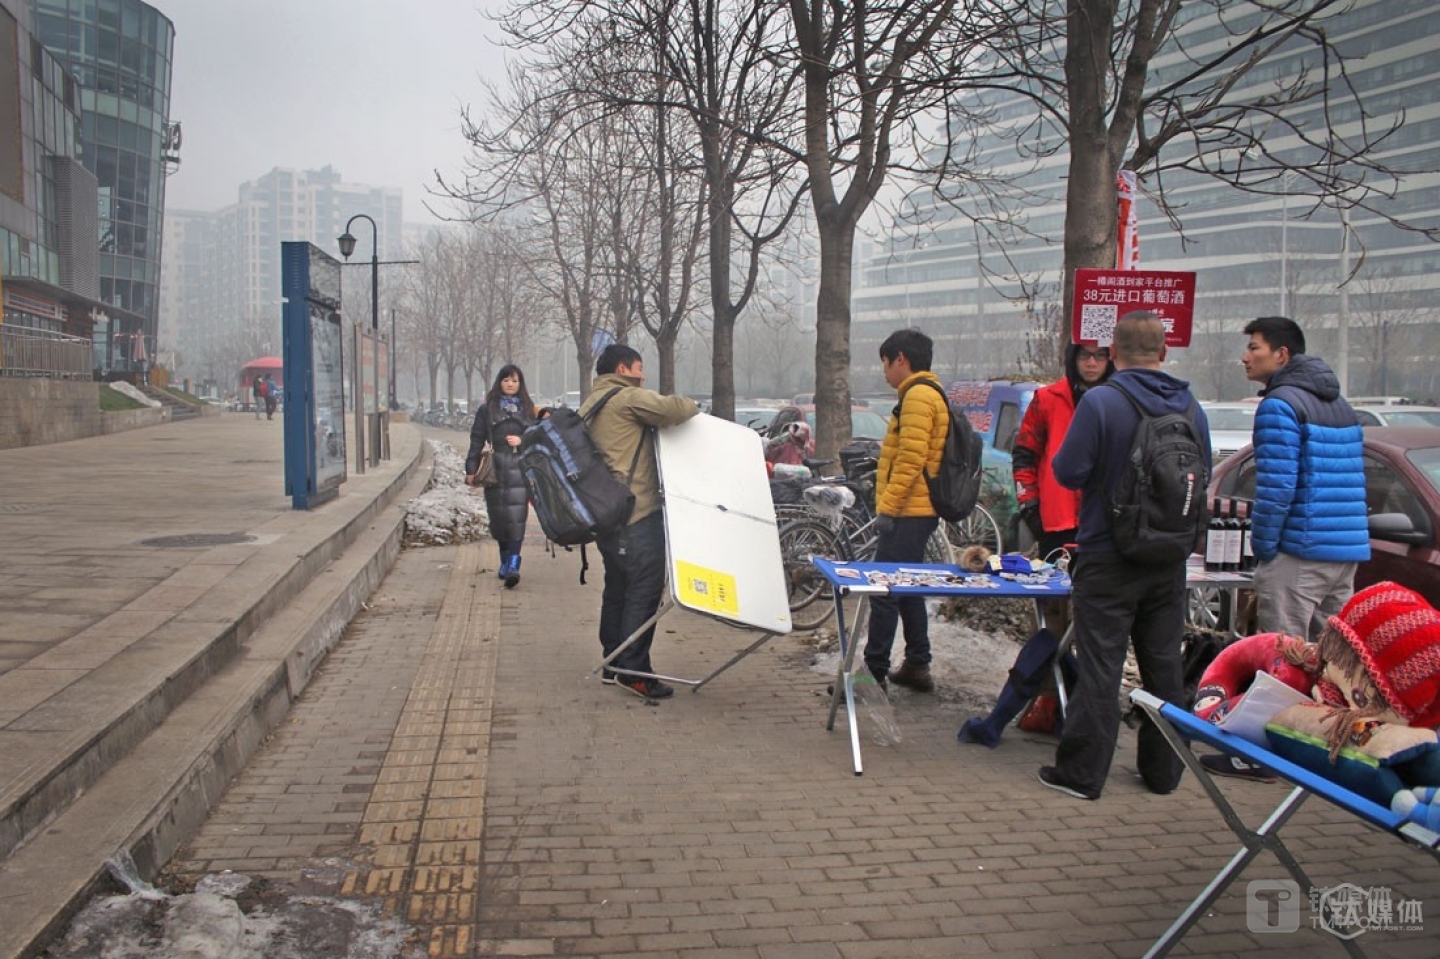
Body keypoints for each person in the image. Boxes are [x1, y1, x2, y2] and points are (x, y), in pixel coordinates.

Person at [1038, 311, 1212, 801]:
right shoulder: (1192, 407)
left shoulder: (1101, 402)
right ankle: (1163, 773)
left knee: (1101, 666)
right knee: (1164, 667)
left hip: (1108, 555)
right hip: (1168, 559)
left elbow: (1068, 471)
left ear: (1113, 353)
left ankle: (1082, 774)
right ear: (1164, 352)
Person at [1241, 316, 1369, 641]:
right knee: (1332, 658)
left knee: (1284, 656)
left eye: (1254, 348)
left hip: (1299, 553)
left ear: (1281, 354)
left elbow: (1277, 486)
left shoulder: (1278, 405)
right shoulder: (1341, 404)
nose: (1245, 357)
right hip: (1344, 553)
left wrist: (1264, 548)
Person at [583, 343, 699, 700]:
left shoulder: (592, 402)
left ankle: (613, 661)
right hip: (636, 513)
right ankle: (634, 671)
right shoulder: (626, 398)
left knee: (617, 588)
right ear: (623, 369)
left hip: (606, 514)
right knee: (644, 590)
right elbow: (677, 409)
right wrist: (694, 404)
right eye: (639, 368)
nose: (643, 376)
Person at [862, 328, 949, 695]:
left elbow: (910, 461)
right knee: (908, 585)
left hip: (909, 512)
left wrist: (888, 509)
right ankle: (917, 663)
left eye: (885, 363)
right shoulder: (927, 394)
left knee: (884, 589)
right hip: (917, 510)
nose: (884, 371)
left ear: (901, 359)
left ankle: (872, 675)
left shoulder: (917, 397)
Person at [1012, 343, 1116, 637]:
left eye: (1100, 356)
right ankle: (1050, 663)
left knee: (1100, 611)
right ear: (1074, 358)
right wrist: (1030, 507)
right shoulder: (1047, 399)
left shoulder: (1120, 401)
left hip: (1105, 523)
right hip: (1056, 523)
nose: (1092, 363)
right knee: (1052, 609)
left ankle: (1090, 665)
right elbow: (1024, 456)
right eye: (1085, 355)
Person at [465, 364, 539, 589]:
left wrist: (522, 440)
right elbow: (476, 440)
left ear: (520, 384)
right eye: (506, 380)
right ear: (499, 382)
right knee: (498, 518)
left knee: (517, 516)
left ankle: (514, 563)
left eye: (515, 380)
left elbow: (539, 437)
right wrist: (471, 469)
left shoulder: (528, 409)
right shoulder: (487, 409)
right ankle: (505, 559)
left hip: (520, 469)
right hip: (494, 470)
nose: (510, 384)